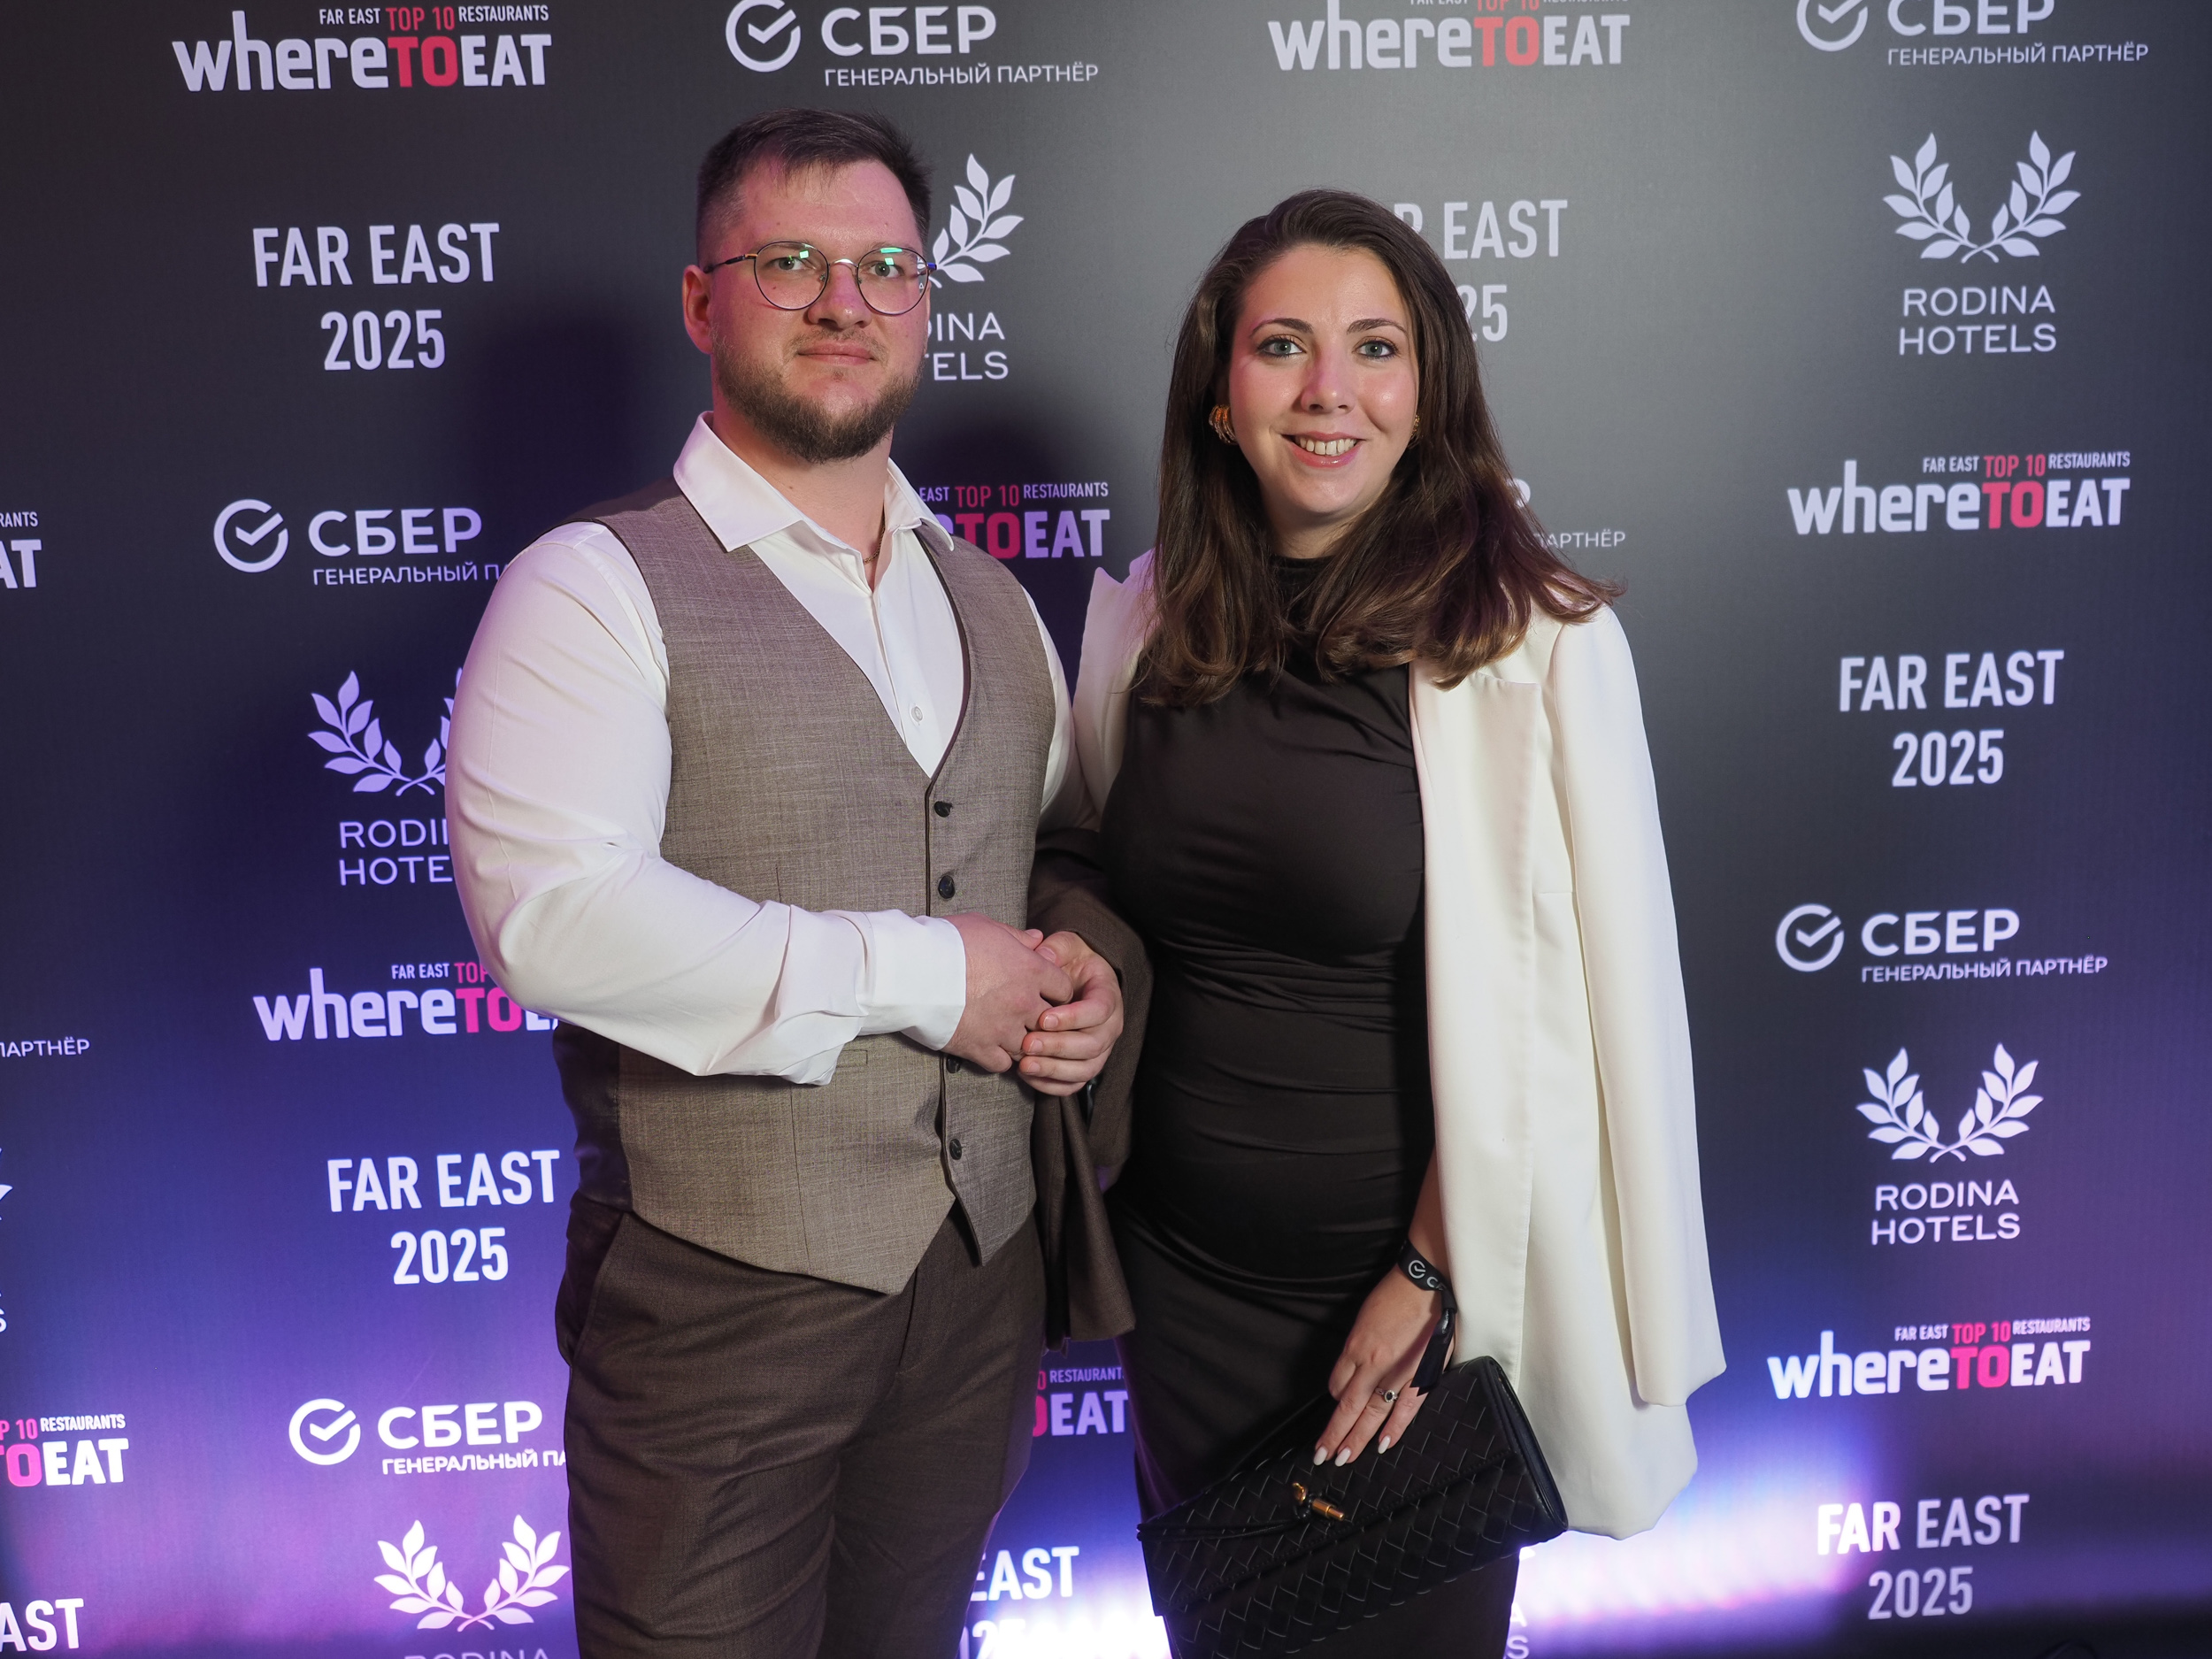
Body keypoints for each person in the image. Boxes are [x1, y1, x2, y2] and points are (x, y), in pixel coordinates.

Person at [446, 108, 1133, 1657]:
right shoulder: (593, 584)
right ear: (704, 302)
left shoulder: (995, 600)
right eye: (792, 263)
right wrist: (931, 977)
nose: (845, 301)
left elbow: (1055, 853)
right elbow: (556, 916)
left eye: (886, 266)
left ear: (925, 303)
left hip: (974, 1288)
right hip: (718, 1302)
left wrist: (1078, 969)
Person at [1064, 190, 1725, 1656]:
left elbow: (1567, 1016)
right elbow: (1088, 875)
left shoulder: (1535, 646)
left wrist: (1430, 1275)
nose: (1329, 389)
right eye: (1281, 347)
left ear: (1428, 395)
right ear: (1221, 395)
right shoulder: (1145, 623)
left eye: (1374, 348)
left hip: (1413, 1298)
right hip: (1182, 1292)